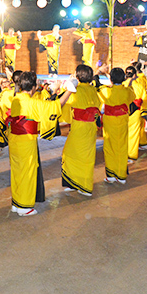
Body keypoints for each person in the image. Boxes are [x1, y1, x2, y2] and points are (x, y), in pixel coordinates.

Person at [8, 72, 73, 216]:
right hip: (26, 141)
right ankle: (24, 206)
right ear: (33, 86)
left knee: (17, 171)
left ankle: (17, 203)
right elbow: (55, 106)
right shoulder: (32, 102)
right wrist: (70, 90)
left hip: (14, 140)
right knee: (27, 171)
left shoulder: (16, 99)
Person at [60, 65, 100, 196]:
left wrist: (70, 83)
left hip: (79, 127)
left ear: (77, 76)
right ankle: (75, 182)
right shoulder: (93, 89)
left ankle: (83, 185)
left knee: (71, 155)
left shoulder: (75, 90)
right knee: (85, 156)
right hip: (90, 127)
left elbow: (62, 102)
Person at [97, 66, 136, 184]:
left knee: (109, 147)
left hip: (110, 121)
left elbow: (96, 85)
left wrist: (101, 72)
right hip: (123, 120)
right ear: (124, 78)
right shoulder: (128, 91)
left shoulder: (106, 91)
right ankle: (121, 175)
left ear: (111, 79)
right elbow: (132, 96)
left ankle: (111, 175)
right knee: (122, 147)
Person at [124, 66, 147, 161]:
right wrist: (145, 111)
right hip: (136, 112)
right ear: (135, 75)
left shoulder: (122, 85)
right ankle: (131, 155)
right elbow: (145, 99)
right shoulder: (139, 86)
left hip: (123, 112)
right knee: (133, 134)